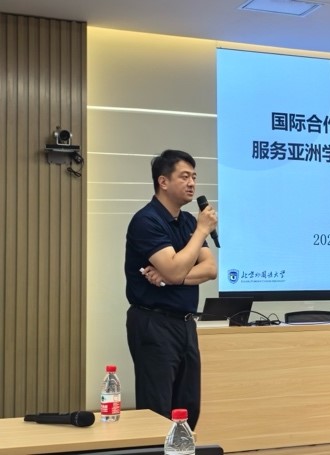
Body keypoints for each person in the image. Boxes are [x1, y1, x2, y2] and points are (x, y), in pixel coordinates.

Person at [124, 149, 218, 429]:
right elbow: (176, 268)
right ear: (163, 181)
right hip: (153, 322)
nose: (192, 183)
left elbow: (210, 269)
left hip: (185, 323)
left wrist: (169, 277)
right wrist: (201, 232)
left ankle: (182, 448)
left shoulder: (188, 221)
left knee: (188, 408)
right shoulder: (146, 220)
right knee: (157, 410)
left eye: (194, 177)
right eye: (184, 176)